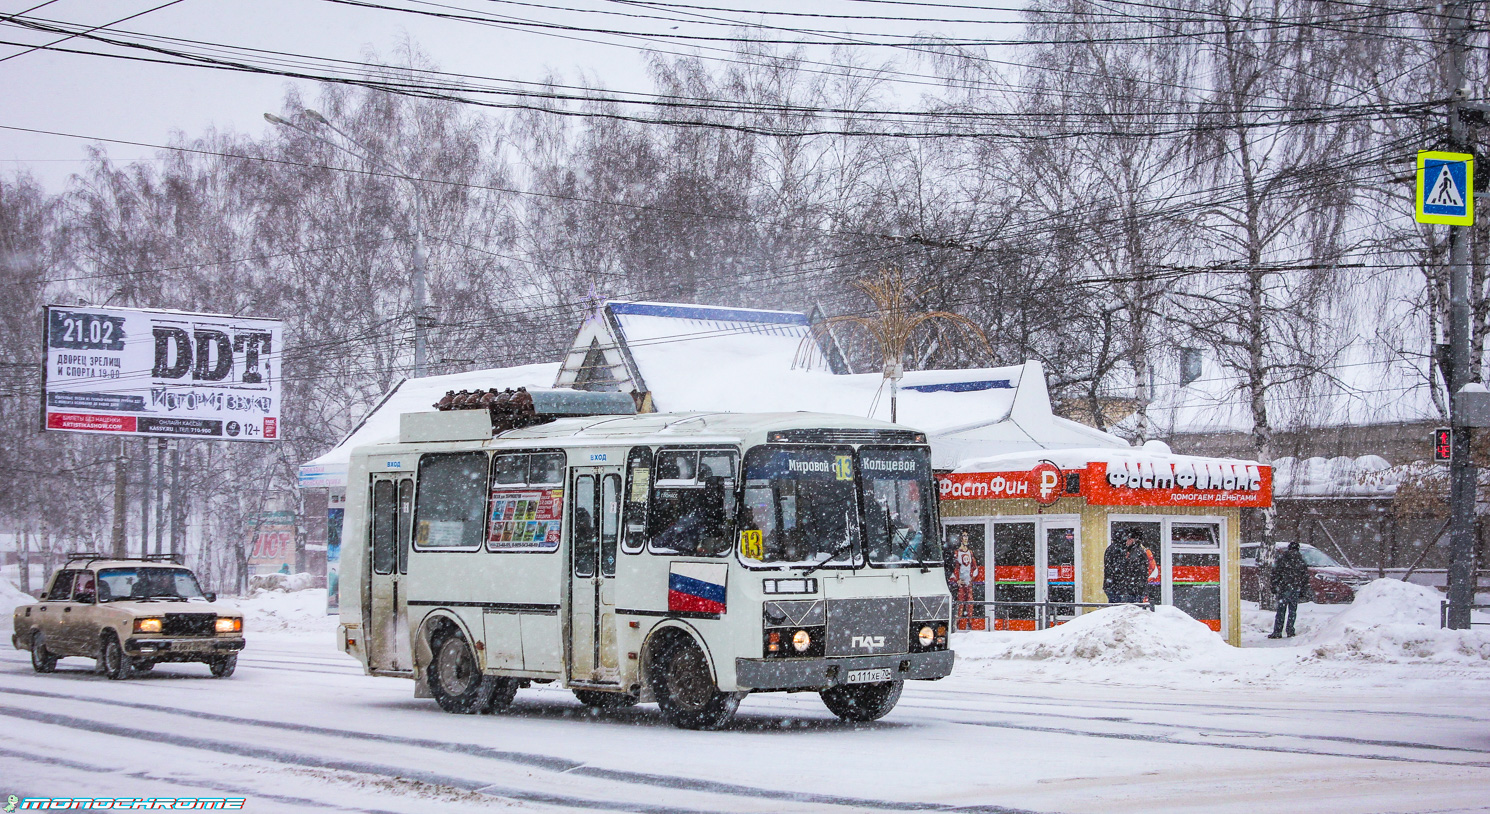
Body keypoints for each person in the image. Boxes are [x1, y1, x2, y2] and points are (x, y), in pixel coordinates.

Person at [1269, 541, 1311, 638]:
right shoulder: (1301, 561)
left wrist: (1274, 586)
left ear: (1289, 548)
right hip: (1295, 588)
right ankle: (1290, 630)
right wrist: (1303, 590)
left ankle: (1277, 632)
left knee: (1280, 611)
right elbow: (1305, 578)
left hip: (1283, 588)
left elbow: (1275, 574)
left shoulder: (1282, 559)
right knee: (1292, 611)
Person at [1103, 531, 1151, 604]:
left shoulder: (1112, 549)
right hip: (1130, 587)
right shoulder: (1133, 551)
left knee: (1117, 607)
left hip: (1120, 586)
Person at [950, 532, 977, 629]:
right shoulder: (956, 553)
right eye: (964, 536)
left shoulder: (970, 552)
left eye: (967, 536)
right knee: (960, 603)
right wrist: (957, 580)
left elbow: (975, 568)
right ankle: (957, 624)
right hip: (960, 583)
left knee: (969, 602)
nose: (966, 538)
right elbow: (953, 568)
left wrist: (972, 579)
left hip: (968, 582)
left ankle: (969, 623)